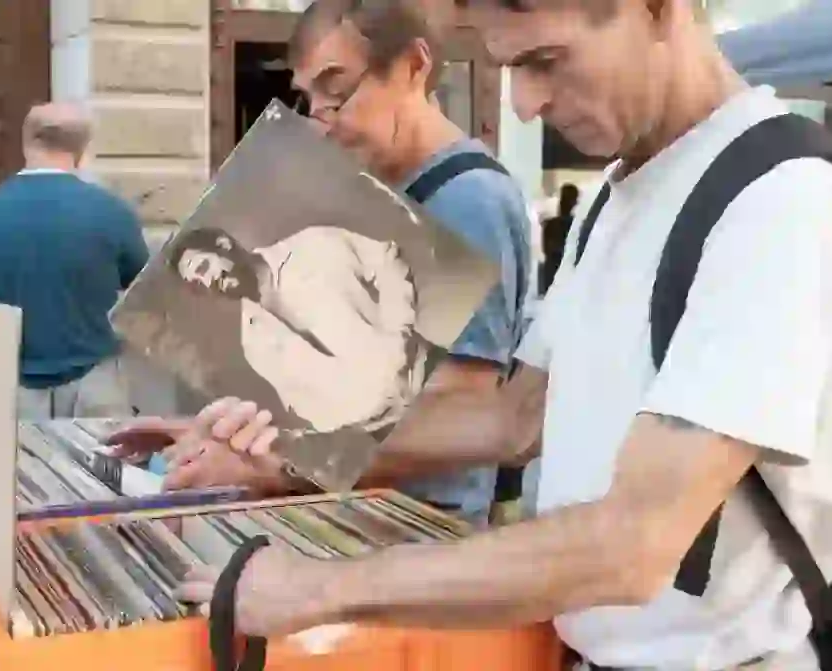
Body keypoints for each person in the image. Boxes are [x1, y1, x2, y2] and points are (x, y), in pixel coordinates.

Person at [174, 1, 832, 669]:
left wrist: (318, 586)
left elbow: (635, 542)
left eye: (544, 61)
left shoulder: (781, 199)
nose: (522, 104)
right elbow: (513, 416)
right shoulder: (616, 194)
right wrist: (289, 451)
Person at [108, 0, 533, 525]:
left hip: (415, 526)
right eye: (310, 100)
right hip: (359, 510)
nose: (324, 122)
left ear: (413, 66)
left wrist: (270, 464)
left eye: (337, 93)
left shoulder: (468, 200)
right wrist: (225, 432)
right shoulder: (371, 193)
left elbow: (457, 414)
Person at [0, 103, 148, 419]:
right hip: (97, 382)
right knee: (104, 470)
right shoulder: (113, 212)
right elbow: (142, 288)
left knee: (25, 470)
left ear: (26, 143)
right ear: (82, 150)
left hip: (13, 387)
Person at [167, 223, 424, 437]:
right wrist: (347, 425)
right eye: (198, 284)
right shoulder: (254, 343)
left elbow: (386, 260)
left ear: (224, 245)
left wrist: (399, 332)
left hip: (426, 374)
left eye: (202, 268)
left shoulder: (312, 244)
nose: (207, 281)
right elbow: (304, 405)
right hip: (382, 432)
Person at [539, 182, 578, 295]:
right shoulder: (575, 224)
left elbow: (546, 249)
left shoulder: (551, 224)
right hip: (562, 276)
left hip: (554, 277)